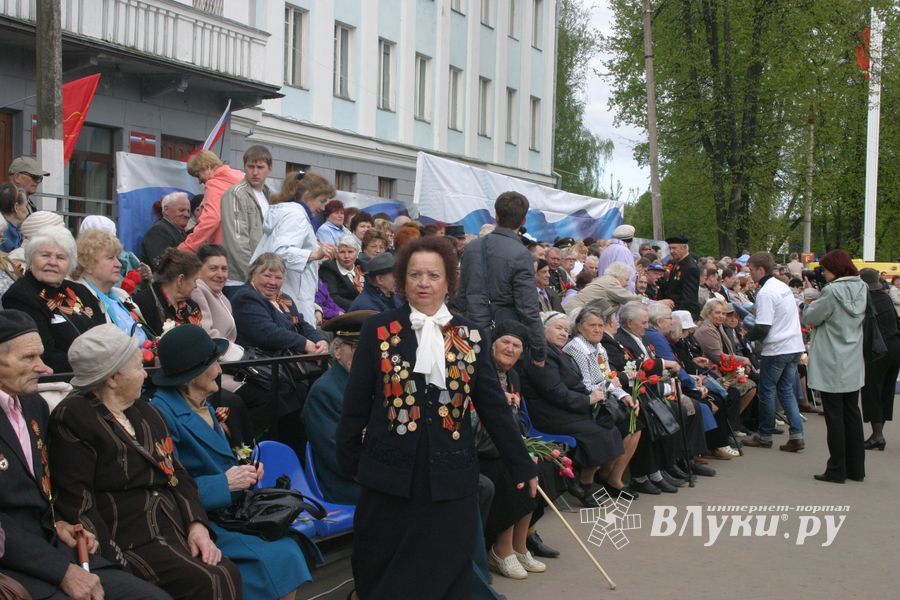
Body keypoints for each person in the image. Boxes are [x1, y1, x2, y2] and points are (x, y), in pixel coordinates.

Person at [336, 236, 538, 599]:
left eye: (433, 275)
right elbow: (354, 405)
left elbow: (493, 407)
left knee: (445, 568)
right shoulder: (379, 330)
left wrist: (521, 464)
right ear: (402, 280)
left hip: (450, 476)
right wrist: (350, 461)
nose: (424, 283)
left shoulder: (467, 335)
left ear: (449, 282)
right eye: (415, 275)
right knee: (383, 566)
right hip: (389, 477)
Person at [48, 325, 241, 599]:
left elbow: (178, 474)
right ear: (113, 377)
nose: (145, 374)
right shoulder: (73, 418)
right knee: (205, 580)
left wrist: (197, 525)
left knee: (224, 571)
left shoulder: (144, 410)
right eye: (139, 367)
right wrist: (110, 561)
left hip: (172, 528)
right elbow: (77, 500)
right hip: (127, 538)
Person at [0, 310, 171, 599]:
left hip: (52, 544)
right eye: (29, 358)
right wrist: (61, 571)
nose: (45, 368)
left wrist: (59, 523)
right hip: (16, 564)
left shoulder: (34, 406)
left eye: (41, 356)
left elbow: (36, 493)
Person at [150, 325, 311, 600]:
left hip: (229, 513)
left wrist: (245, 474)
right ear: (196, 373)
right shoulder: (162, 414)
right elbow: (168, 484)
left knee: (289, 549)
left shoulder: (201, 403)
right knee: (281, 556)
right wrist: (224, 483)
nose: (219, 368)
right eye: (214, 362)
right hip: (200, 521)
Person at [476, 320, 553, 580]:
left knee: (537, 464)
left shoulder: (513, 377)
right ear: (492, 345)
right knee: (511, 471)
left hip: (502, 442)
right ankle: (502, 549)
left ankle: (520, 545)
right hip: (479, 448)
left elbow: (519, 422)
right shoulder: (480, 372)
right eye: (504, 342)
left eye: (516, 345)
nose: (510, 348)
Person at [559, 303, 642, 497]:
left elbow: (607, 377)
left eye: (600, 325)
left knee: (635, 424)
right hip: (586, 401)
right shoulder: (577, 348)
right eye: (592, 325)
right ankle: (600, 475)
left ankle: (613, 477)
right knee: (616, 427)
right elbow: (587, 384)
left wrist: (625, 395)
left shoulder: (599, 347)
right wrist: (610, 386)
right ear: (580, 327)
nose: (597, 329)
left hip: (603, 396)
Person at [457, 191, 547, 366]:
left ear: (496, 216)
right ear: (523, 221)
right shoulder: (521, 254)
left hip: (468, 331)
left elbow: (461, 295)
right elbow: (528, 308)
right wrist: (539, 351)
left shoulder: (472, 247)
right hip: (501, 336)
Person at [801, 250, 867, 483]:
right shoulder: (862, 287)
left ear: (836, 269)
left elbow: (811, 317)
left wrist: (809, 299)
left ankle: (837, 468)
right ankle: (856, 468)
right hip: (852, 358)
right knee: (852, 413)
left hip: (831, 359)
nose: (825, 272)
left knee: (834, 417)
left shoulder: (831, 291)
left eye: (827, 268)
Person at [2, 226, 104, 372]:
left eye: (60, 257)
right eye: (45, 255)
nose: (53, 262)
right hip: (61, 380)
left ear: (70, 264)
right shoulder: (21, 296)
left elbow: (103, 334)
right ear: (31, 259)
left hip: (97, 373)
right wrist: (96, 363)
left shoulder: (79, 291)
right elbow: (45, 355)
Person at [301, 311, 375, 505]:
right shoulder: (325, 392)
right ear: (337, 350)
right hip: (349, 484)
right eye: (357, 347)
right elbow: (338, 458)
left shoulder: (376, 384)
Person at [250, 170, 337, 325]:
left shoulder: (289, 212)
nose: (323, 208)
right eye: (322, 201)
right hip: (289, 300)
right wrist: (315, 254)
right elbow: (280, 253)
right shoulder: (296, 216)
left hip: (286, 295)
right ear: (308, 194)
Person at [742, 251, 806, 452]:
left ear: (761, 269)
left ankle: (765, 435)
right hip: (794, 345)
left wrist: (747, 336)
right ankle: (797, 434)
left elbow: (763, 326)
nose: (749, 274)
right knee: (786, 390)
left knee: (768, 390)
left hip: (777, 348)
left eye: (751, 270)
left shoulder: (767, 292)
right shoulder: (782, 287)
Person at [74, 229, 150, 346]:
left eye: (117, 258)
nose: (118, 264)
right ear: (88, 264)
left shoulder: (121, 295)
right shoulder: (79, 300)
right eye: (110, 258)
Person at [220, 145, 274, 284]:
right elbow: (237, 243)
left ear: (270, 169)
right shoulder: (235, 194)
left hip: (263, 275)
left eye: (260, 167)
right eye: (251, 166)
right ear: (244, 167)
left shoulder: (269, 194)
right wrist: (253, 277)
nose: (255, 172)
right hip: (241, 279)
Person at [859, 269, 900, 450]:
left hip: (877, 351)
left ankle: (877, 435)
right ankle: (878, 433)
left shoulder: (867, 300)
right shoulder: (885, 298)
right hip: (895, 348)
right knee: (886, 391)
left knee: (872, 391)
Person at [180, 150, 245, 252]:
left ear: (207, 167)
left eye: (198, 175)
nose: (199, 181)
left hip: (224, 248)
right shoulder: (241, 177)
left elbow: (211, 218)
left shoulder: (214, 184)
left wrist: (187, 247)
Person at [133, 248, 203, 336]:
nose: (196, 286)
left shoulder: (192, 307)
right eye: (194, 280)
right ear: (180, 280)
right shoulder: (144, 303)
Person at [563, 261, 651, 317]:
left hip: (575, 312)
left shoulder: (605, 280)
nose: (627, 284)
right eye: (626, 279)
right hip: (573, 314)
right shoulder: (610, 282)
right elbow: (630, 298)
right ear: (618, 276)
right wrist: (649, 302)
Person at [141, 192, 191, 267]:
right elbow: (161, 265)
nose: (187, 215)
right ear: (166, 210)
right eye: (181, 210)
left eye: (188, 211)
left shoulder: (181, 232)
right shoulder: (158, 232)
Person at [319, 234, 365, 311]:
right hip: (346, 313)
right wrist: (360, 307)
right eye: (342, 252)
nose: (346, 256)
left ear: (357, 253)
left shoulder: (363, 266)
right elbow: (333, 297)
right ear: (336, 254)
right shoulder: (328, 268)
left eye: (350, 252)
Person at [660, 235, 701, 319]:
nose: (671, 251)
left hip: (681, 314)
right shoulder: (676, 263)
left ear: (684, 248)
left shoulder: (690, 267)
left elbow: (689, 298)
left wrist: (681, 317)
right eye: (670, 248)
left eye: (674, 248)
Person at [598, 224, 637, 291]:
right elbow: (627, 278)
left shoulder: (607, 249)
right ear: (631, 241)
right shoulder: (624, 251)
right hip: (616, 296)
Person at [0, 183, 28, 253]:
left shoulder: (14, 230)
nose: (28, 211)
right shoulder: (4, 236)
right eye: (26, 206)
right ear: (16, 207)